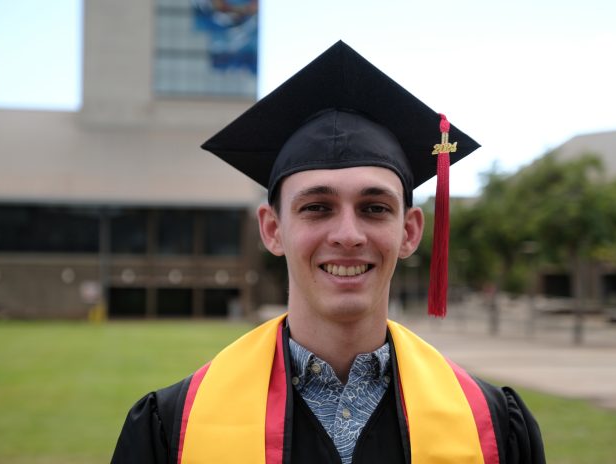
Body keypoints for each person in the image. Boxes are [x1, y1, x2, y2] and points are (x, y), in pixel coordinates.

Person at [111, 41, 546, 464]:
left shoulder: (491, 427)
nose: (348, 234)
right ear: (272, 230)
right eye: (317, 208)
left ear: (410, 232)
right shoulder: (173, 429)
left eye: (374, 208)